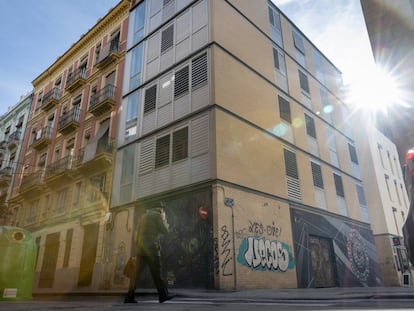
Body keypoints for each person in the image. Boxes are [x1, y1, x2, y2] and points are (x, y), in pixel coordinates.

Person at [124, 203, 175, 303]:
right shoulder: (157, 216)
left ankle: (129, 297)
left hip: (141, 250)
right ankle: (162, 296)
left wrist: (139, 247)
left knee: (136, 275)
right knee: (157, 275)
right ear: (159, 209)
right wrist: (164, 221)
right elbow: (165, 231)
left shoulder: (143, 217)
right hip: (152, 250)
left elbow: (137, 235)